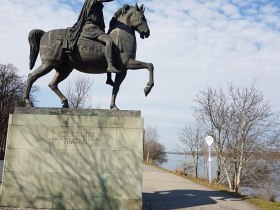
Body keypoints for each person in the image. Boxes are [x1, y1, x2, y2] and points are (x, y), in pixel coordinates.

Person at [63, 0, 121, 74]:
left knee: (107, 46)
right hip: (91, 28)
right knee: (108, 41)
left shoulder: (95, 5)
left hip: (93, 27)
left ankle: (109, 77)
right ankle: (110, 65)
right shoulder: (92, 0)